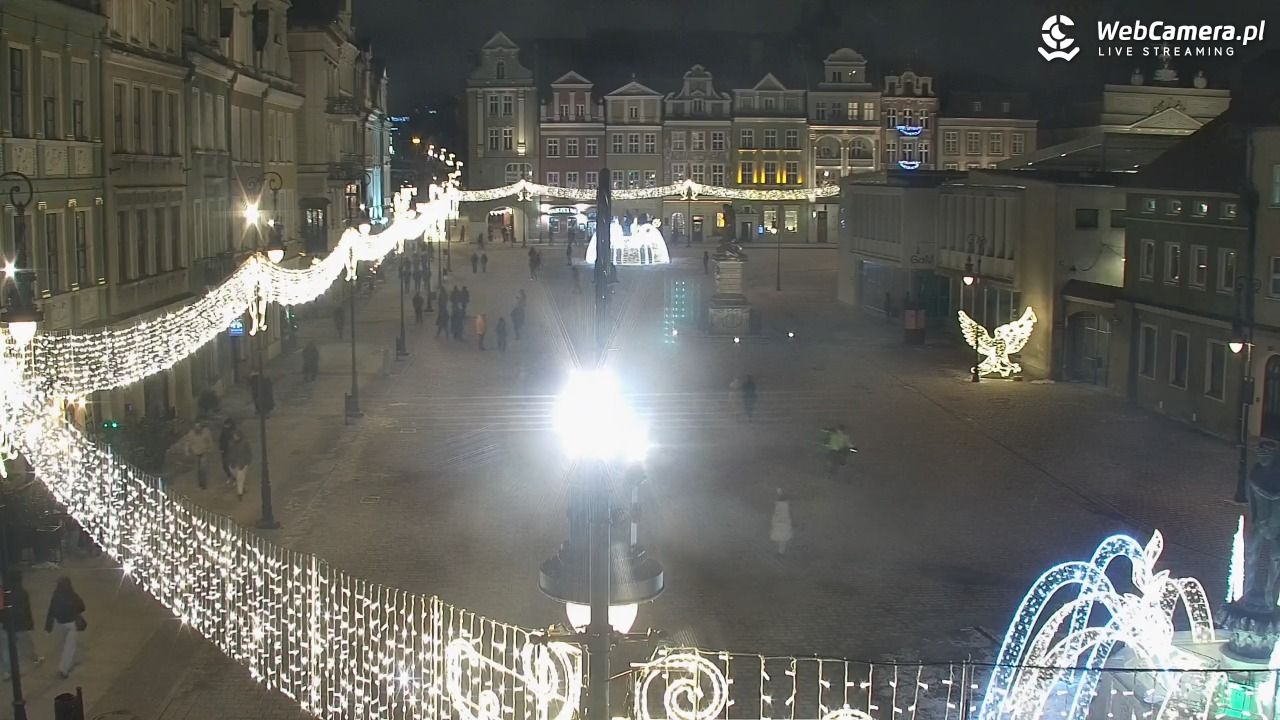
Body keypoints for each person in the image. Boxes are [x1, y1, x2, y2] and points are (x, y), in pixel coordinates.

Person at [2, 570, 43, 679]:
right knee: (27, 643)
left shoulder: (5, 592)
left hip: (7, 624)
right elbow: (26, 610)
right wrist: (30, 623)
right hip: (20, 624)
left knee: (6, 648)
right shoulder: (23, 593)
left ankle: (8, 671)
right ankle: (35, 659)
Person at [44, 576, 85, 679]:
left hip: (60, 624)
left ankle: (72, 661)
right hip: (72, 624)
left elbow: (51, 611)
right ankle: (64, 669)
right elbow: (82, 607)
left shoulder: (56, 596)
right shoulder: (72, 594)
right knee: (69, 647)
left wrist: (48, 626)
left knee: (64, 645)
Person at [184, 421, 215, 489]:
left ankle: (203, 483)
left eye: (198, 426)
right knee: (198, 469)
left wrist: (210, 448)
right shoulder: (191, 433)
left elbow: (210, 440)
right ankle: (200, 482)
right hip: (196, 453)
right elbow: (188, 442)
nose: (197, 428)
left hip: (204, 452)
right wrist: (187, 451)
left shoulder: (206, 432)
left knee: (203, 468)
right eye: (196, 427)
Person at [226, 429, 252, 500]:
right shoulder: (231, 443)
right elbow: (229, 453)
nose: (235, 437)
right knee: (237, 476)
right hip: (233, 463)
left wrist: (247, 462)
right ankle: (242, 488)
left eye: (236, 435)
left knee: (240, 478)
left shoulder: (245, 443)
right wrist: (229, 461)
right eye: (234, 436)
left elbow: (249, 453)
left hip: (242, 463)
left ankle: (239, 493)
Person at [770, 489, 793, 559]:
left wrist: (774, 522)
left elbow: (777, 514)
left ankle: (781, 552)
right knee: (783, 538)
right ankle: (781, 551)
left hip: (781, 523)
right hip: (784, 523)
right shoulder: (785, 505)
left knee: (782, 538)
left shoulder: (780, 505)